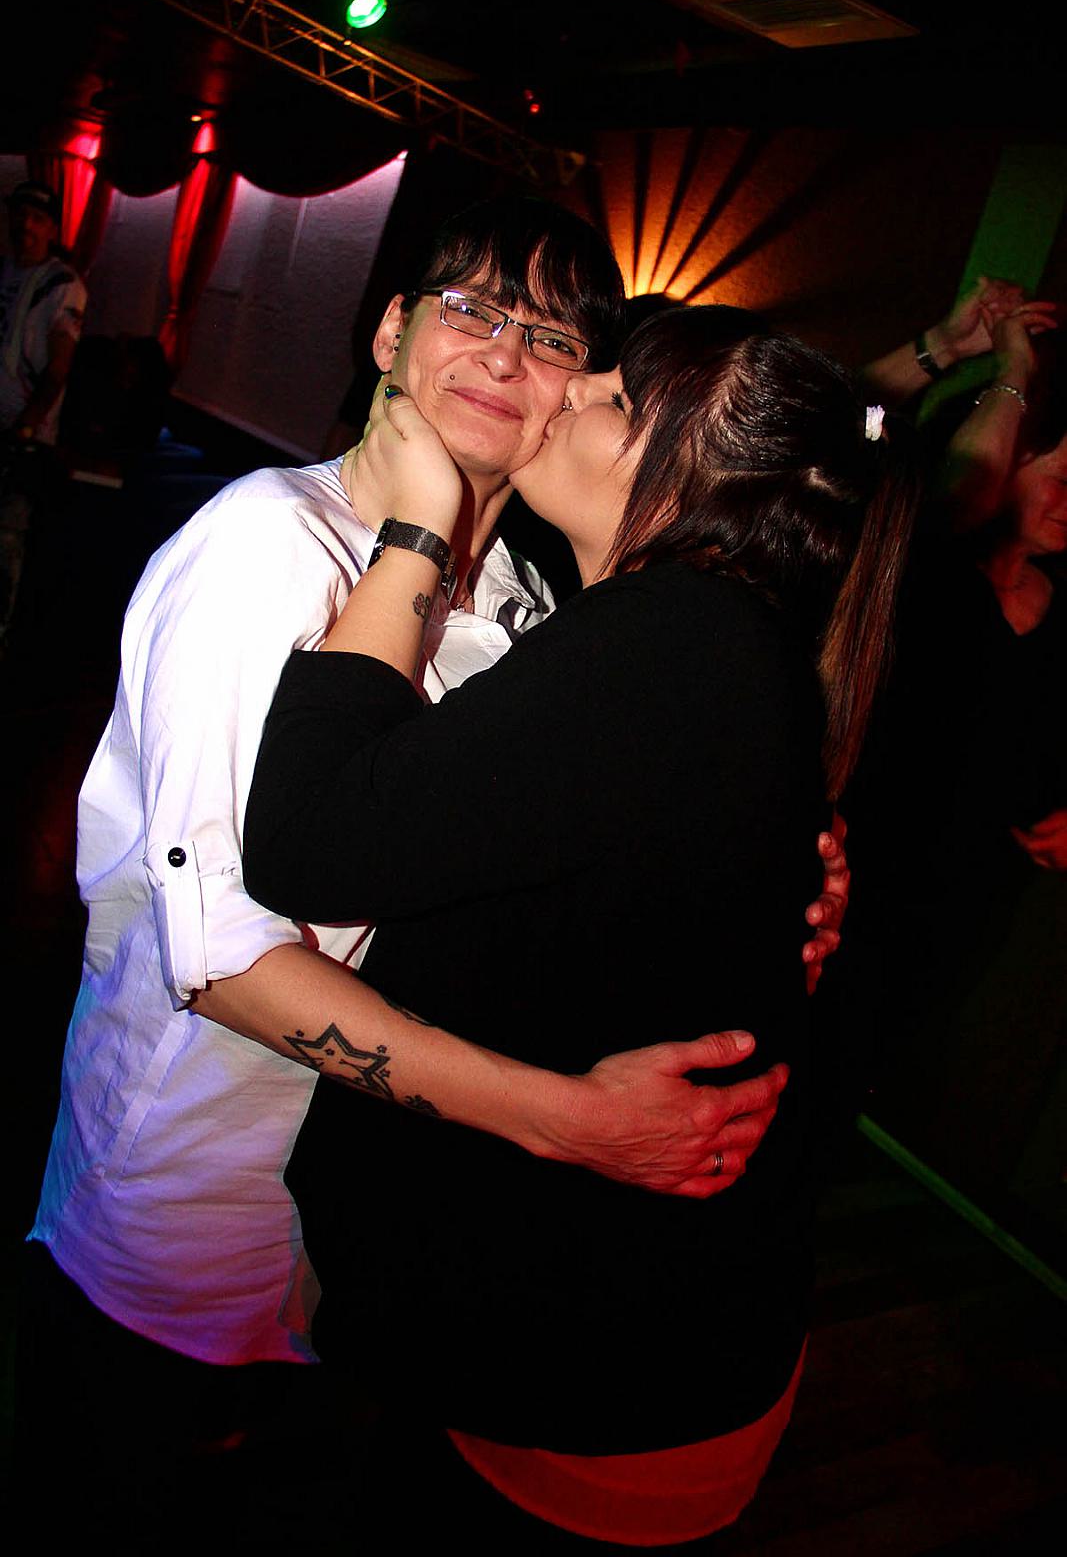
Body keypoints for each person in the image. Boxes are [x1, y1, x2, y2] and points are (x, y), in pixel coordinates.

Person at [27, 204, 833, 1493]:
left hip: (379, 1232)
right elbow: (220, 960)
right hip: (197, 1204)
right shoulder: (266, 546)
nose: (506, 354)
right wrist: (566, 1121)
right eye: (471, 310)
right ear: (390, 331)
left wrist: (762, 879)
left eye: (552, 338)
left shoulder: (531, 600)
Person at [241, 307, 920, 1546]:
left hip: (587, 1387)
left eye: (612, 397)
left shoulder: (669, 641)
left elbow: (303, 846)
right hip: (619, 1352)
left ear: (697, 479)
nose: (563, 394)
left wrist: (413, 532)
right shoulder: (711, 642)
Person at [0, 180, 85, 443]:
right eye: (21, 214)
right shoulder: (3, 269)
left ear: (52, 230)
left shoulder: (62, 285)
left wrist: (27, 425)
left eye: (38, 219)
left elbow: (58, 367)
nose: (26, 224)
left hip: (24, 429)